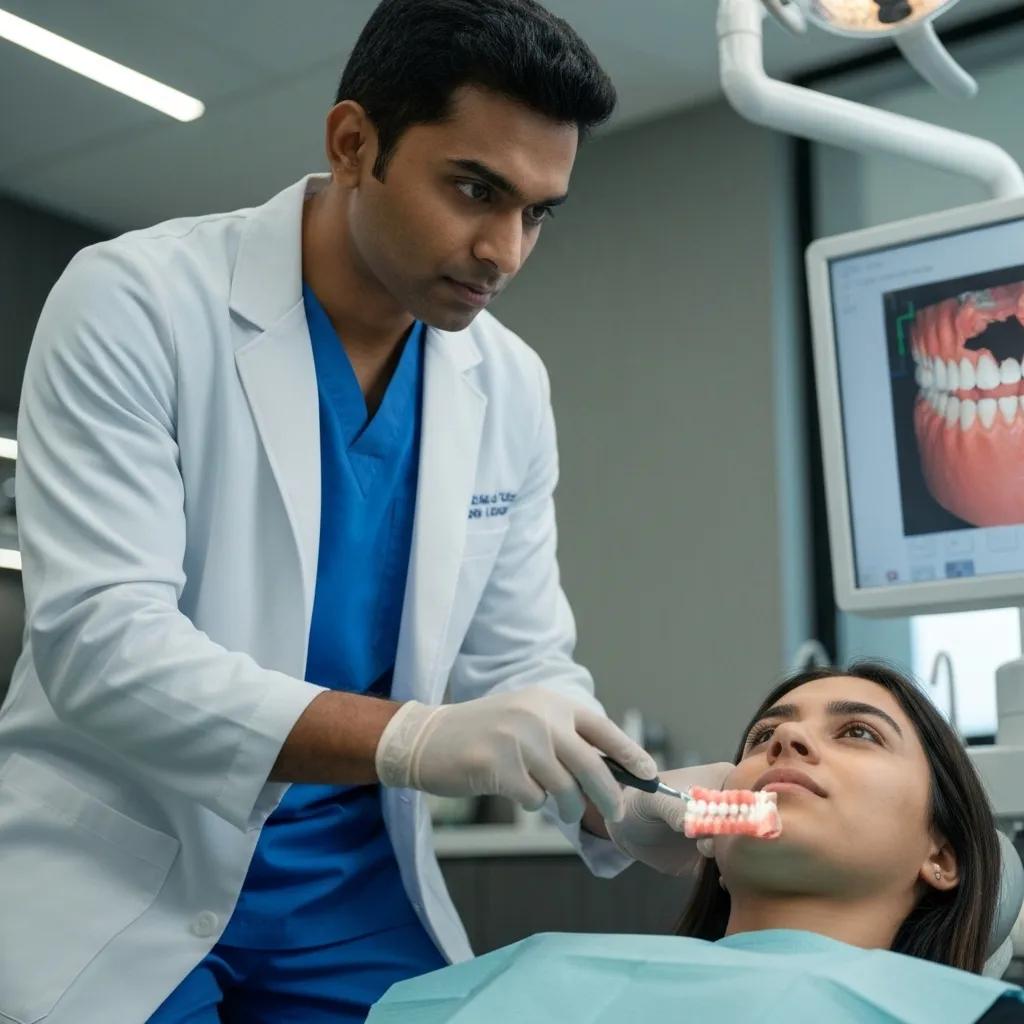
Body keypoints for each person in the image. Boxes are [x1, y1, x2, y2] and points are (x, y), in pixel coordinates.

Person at [0, 2, 729, 1022]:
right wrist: (408, 739)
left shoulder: (506, 383)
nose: (504, 250)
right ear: (353, 144)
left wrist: (617, 796)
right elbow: (99, 643)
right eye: (474, 189)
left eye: (536, 211)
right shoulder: (136, 301)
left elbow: (518, 663)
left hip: (351, 896)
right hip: (125, 866)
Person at [369, 661, 1024, 1023]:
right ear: (710, 833)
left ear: (942, 857)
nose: (786, 743)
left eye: (858, 733)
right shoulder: (500, 988)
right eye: (764, 735)